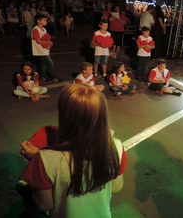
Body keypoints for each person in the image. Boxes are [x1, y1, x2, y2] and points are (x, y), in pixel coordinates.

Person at [17, 84, 127, 217]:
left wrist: (34, 162)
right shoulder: (117, 147)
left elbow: (44, 205)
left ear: (65, 114)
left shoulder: (45, 158)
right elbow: (116, 187)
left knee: (21, 186)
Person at [32, 13, 64, 83]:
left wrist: (48, 44)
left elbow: (45, 39)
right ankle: (54, 78)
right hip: (40, 50)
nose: (46, 22)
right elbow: (38, 40)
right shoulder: (36, 29)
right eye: (44, 20)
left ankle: (42, 77)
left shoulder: (43, 29)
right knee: (50, 63)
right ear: (38, 21)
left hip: (44, 49)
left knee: (44, 65)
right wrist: (49, 42)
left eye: (46, 20)